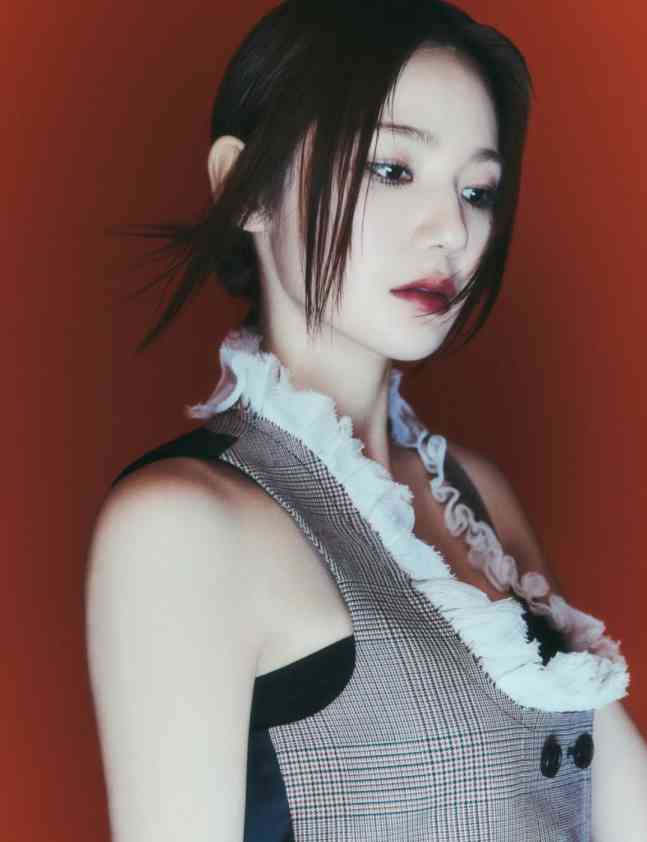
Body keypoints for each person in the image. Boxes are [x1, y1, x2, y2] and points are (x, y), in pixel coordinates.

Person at [84, 1, 647, 840]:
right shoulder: (182, 523)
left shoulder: (474, 496)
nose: (451, 231)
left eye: (477, 190)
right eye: (391, 169)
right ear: (244, 186)